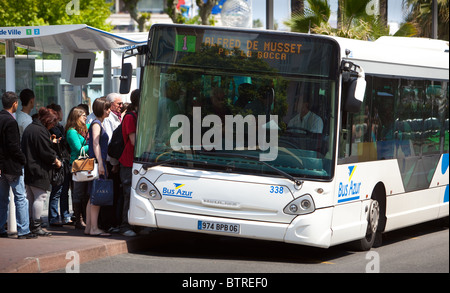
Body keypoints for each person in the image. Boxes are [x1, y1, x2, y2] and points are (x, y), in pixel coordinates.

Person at [0, 92, 37, 239]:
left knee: (2, 199)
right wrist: (23, 160)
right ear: (15, 103)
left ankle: (1, 227)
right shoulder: (10, 122)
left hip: (2, 166)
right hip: (12, 166)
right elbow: (13, 146)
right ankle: (24, 230)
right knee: (20, 198)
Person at [22, 107, 62, 236]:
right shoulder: (40, 131)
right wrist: (56, 161)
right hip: (39, 169)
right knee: (40, 197)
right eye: (53, 122)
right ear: (47, 120)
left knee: (31, 197)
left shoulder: (31, 128)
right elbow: (45, 152)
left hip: (29, 167)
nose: (53, 125)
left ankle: (31, 224)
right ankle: (36, 225)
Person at [85, 97, 111, 236]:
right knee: (97, 196)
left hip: (95, 163)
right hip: (97, 163)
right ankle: (93, 228)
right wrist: (101, 163)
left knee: (92, 195)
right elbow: (96, 144)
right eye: (107, 109)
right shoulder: (97, 124)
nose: (109, 111)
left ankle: (89, 227)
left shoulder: (97, 123)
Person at [119, 89, 140, 237]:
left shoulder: (137, 116)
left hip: (136, 162)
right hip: (128, 162)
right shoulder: (130, 117)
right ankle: (124, 225)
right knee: (128, 194)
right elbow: (133, 141)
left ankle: (135, 225)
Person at [101, 93, 124, 233]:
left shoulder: (118, 118)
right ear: (110, 104)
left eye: (122, 104)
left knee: (115, 194)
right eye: (118, 104)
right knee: (110, 194)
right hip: (111, 162)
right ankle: (107, 223)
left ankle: (112, 222)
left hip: (115, 162)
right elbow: (111, 144)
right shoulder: (109, 119)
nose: (121, 106)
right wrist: (114, 163)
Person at [47, 104, 72, 226]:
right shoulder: (52, 128)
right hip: (58, 162)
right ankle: (54, 217)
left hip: (63, 161)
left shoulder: (59, 127)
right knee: (57, 190)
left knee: (63, 191)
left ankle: (64, 215)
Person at [66, 106, 90, 229]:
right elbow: (78, 149)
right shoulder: (71, 132)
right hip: (77, 165)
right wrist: (92, 146)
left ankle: (86, 218)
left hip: (86, 164)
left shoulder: (85, 129)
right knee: (78, 192)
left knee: (86, 193)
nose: (86, 117)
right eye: (83, 115)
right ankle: (78, 220)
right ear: (76, 117)